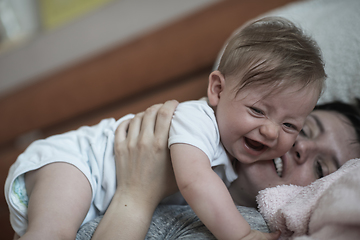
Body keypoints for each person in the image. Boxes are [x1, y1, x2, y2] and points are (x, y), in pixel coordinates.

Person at [5, 16, 325, 240]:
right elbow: (194, 181)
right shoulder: (197, 120)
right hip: (74, 162)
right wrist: (240, 234)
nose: (271, 131)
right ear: (217, 90)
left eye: (289, 124)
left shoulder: (233, 160)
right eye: (257, 110)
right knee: (52, 234)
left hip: (94, 203)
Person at [79, 98, 360, 240]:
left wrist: (136, 193)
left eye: (321, 168)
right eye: (300, 128)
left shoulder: (248, 229)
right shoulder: (197, 137)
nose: (301, 147)